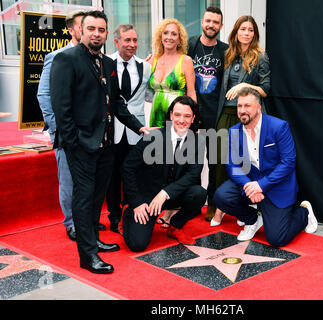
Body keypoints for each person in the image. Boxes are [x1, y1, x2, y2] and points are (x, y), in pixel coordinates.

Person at [50, 11, 150, 274]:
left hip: (106, 144)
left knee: (97, 198)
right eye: (91, 28)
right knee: (83, 198)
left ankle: (92, 239)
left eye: (101, 29)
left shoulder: (107, 63)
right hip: (80, 145)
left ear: (107, 34)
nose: (96, 33)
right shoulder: (65, 59)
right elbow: (62, 108)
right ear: (80, 31)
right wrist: (73, 143)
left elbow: (116, 102)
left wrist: (139, 127)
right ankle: (88, 256)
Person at [213, 88, 318, 246]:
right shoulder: (234, 131)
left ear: (258, 107)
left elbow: (288, 162)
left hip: (276, 185)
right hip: (250, 183)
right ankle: (252, 219)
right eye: (239, 106)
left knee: (277, 239)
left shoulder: (279, 127)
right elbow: (232, 165)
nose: (242, 110)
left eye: (247, 106)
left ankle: (304, 211)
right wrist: (248, 185)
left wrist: (261, 185)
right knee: (221, 197)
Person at [122, 95, 206, 252]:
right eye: (178, 115)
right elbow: (127, 167)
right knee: (137, 245)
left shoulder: (198, 142)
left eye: (187, 116)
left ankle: (175, 226)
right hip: (145, 198)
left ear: (193, 118)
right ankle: (127, 212)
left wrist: (165, 193)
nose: (182, 120)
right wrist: (136, 202)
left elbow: (193, 175)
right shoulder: (153, 137)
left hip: (169, 196)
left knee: (199, 193)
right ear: (171, 115)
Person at [213, 15, 271, 223]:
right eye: (243, 29)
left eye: (250, 30)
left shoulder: (260, 56)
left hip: (247, 115)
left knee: (243, 161)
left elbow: (265, 89)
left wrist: (243, 88)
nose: (246, 33)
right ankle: (219, 208)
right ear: (236, 32)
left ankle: (241, 206)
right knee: (220, 159)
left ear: (254, 34)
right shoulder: (229, 54)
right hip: (226, 112)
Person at [37, 10, 85, 241]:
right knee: (68, 179)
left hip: (87, 131)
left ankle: (86, 220)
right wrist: (57, 127)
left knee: (86, 179)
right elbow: (43, 94)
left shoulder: (91, 56)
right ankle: (71, 223)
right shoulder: (58, 56)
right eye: (82, 26)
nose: (87, 30)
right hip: (65, 131)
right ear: (71, 29)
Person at [106, 23, 152, 233]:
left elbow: (149, 94)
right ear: (116, 42)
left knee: (134, 173)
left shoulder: (146, 66)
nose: (132, 44)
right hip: (113, 129)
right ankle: (114, 216)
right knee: (113, 175)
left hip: (137, 129)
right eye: (127, 40)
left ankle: (131, 213)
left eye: (135, 40)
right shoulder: (107, 63)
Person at [187, 7, 229, 221]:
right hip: (191, 115)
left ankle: (213, 204)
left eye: (216, 22)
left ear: (220, 26)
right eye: (208, 21)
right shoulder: (190, 45)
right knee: (190, 162)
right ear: (202, 21)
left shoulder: (226, 51)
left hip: (215, 115)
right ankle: (192, 204)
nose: (211, 25)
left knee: (214, 163)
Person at [147, 18, 196, 128]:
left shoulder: (186, 61)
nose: (169, 37)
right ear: (160, 37)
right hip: (155, 115)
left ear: (179, 39)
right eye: (165, 33)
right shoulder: (153, 59)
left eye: (174, 34)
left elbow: (191, 93)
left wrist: (194, 122)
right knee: (156, 144)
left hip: (178, 117)